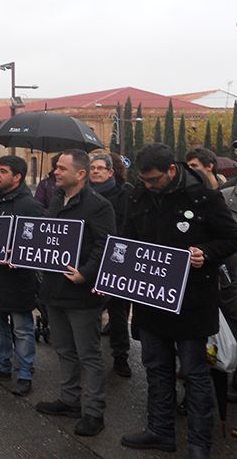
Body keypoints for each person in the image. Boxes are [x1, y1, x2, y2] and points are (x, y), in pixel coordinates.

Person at [120, 143, 237, 459]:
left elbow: (231, 238)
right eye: (144, 180)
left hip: (192, 302)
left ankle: (199, 443)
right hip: (151, 299)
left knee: (194, 372)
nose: (149, 185)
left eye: (154, 180)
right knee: (156, 367)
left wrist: (206, 253)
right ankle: (160, 431)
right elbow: (126, 238)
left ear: (172, 171)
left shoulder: (204, 197)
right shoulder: (139, 196)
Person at [35, 150, 115, 438]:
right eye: (56, 167)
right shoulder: (57, 199)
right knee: (64, 349)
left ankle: (94, 412)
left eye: (61, 168)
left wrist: (86, 273)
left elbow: (106, 245)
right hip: (54, 291)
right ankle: (69, 400)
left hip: (82, 295)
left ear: (80, 174)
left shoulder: (98, 205)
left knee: (88, 354)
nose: (56, 172)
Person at [0, 156, 45, 397]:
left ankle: (24, 373)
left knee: (22, 329)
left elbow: (39, 245)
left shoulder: (31, 207)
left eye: (3, 171)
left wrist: (18, 253)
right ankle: (1, 364)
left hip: (17, 281)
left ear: (17, 177)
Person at [88, 152, 132, 377]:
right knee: (90, 311)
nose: (95, 171)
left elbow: (125, 226)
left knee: (117, 312)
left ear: (110, 172)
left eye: (100, 168)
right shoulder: (83, 194)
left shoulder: (122, 194)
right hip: (90, 260)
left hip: (115, 260)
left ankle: (120, 356)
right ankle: (90, 355)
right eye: (92, 168)